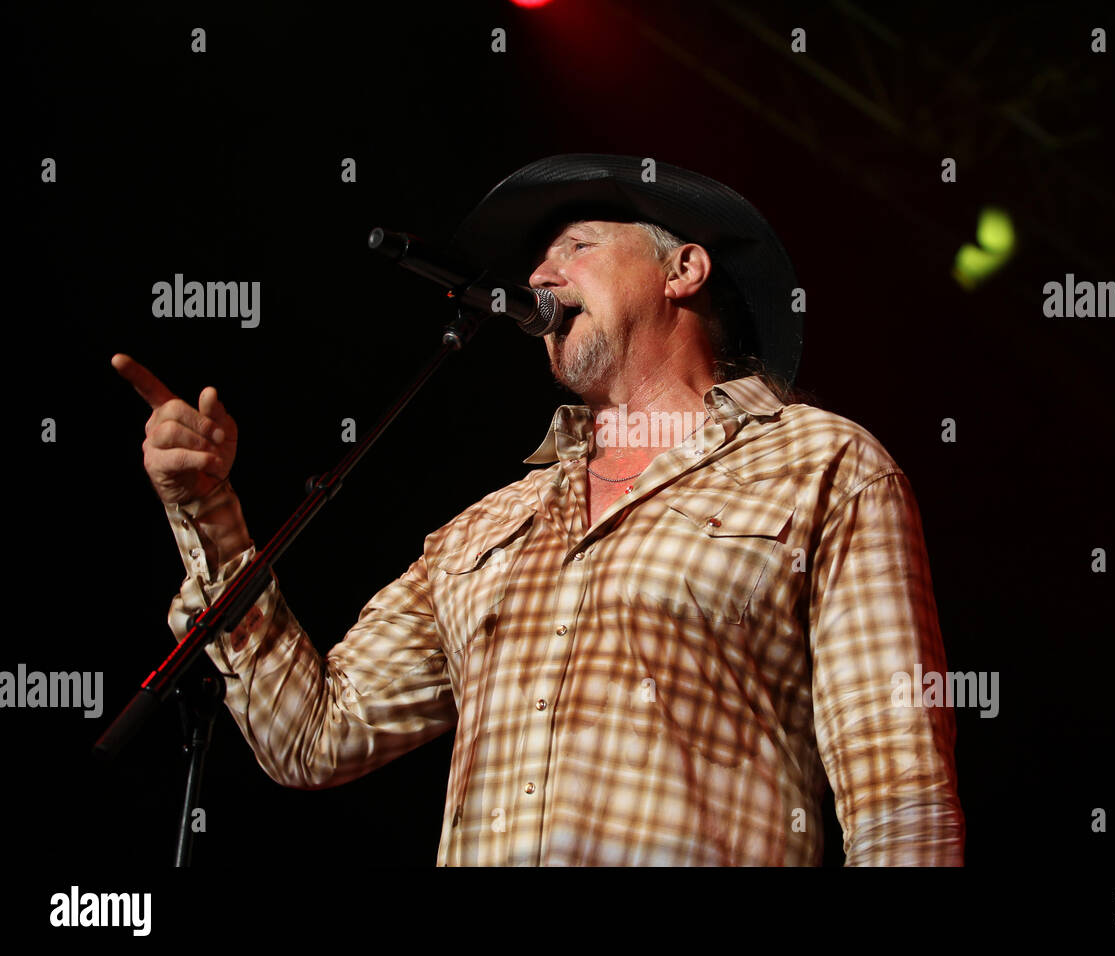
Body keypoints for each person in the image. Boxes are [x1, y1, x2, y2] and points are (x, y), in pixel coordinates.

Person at [113, 154, 964, 866]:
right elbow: (315, 738)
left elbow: (899, 787)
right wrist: (208, 512)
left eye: (578, 247)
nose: (540, 278)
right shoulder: (485, 529)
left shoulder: (822, 464)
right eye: (537, 266)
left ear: (683, 269)